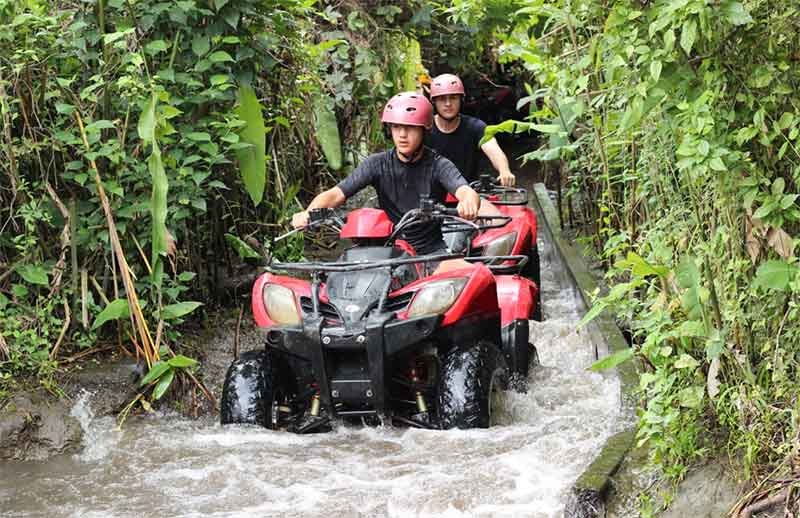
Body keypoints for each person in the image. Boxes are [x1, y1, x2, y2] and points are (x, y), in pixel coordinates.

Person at [291, 92, 485, 273]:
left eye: (409, 128)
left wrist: (468, 202)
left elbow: (465, 191)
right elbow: (336, 194)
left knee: (473, 276)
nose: (402, 134)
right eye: (396, 127)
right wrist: (308, 212)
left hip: (431, 252)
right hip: (386, 251)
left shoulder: (439, 164)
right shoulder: (376, 164)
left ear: (424, 130)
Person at [426, 73, 516, 187]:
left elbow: (494, 151)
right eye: (442, 99)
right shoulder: (425, 128)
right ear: (434, 102)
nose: (448, 104)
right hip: (431, 197)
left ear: (461, 100)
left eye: (453, 98)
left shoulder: (475, 126)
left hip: (470, 194)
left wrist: (504, 171)